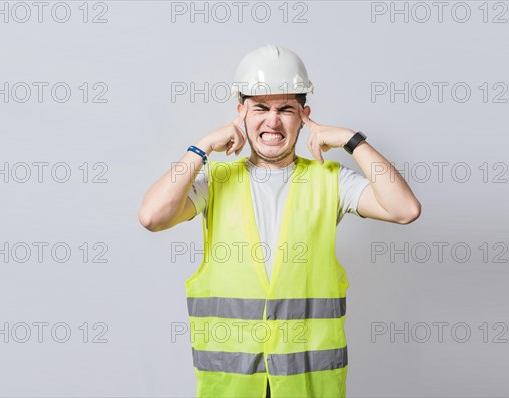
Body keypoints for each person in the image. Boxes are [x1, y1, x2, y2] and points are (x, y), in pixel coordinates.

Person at [139, 44, 421, 398]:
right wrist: (200, 149)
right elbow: (152, 216)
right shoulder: (215, 181)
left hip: (308, 386)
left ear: (304, 115)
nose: (272, 121)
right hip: (231, 387)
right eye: (260, 108)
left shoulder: (329, 181)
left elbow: (405, 209)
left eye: (285, 109)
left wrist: (352, 141)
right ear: (241, 112)